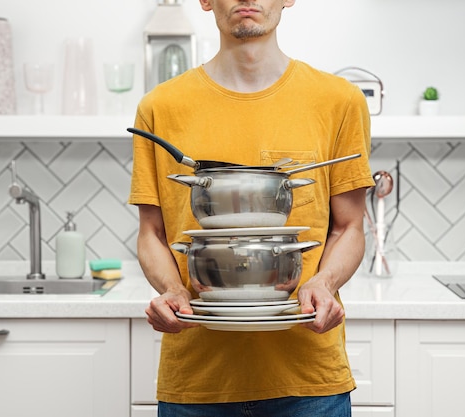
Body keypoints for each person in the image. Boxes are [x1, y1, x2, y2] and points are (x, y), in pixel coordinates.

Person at [128, 1, 374, 416]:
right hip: (197, 381)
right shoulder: (160, 107)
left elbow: (349, 227)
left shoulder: (339, 101)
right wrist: (171, 291)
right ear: (205, 1)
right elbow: (151, 232)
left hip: (309, 381)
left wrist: (325, 283)